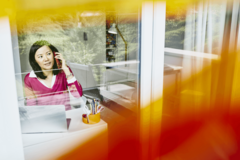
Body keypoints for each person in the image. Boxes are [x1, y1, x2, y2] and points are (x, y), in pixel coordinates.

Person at [24, 40, 83, 110]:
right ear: (34, 60)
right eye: (40, 56)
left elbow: (78, 95)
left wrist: (65, 69)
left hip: (66, 117)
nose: (46, 59)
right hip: (45, 119)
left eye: (48, 54)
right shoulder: (29, 79)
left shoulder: (64, 71)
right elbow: (31, 106)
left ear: (55, 54)